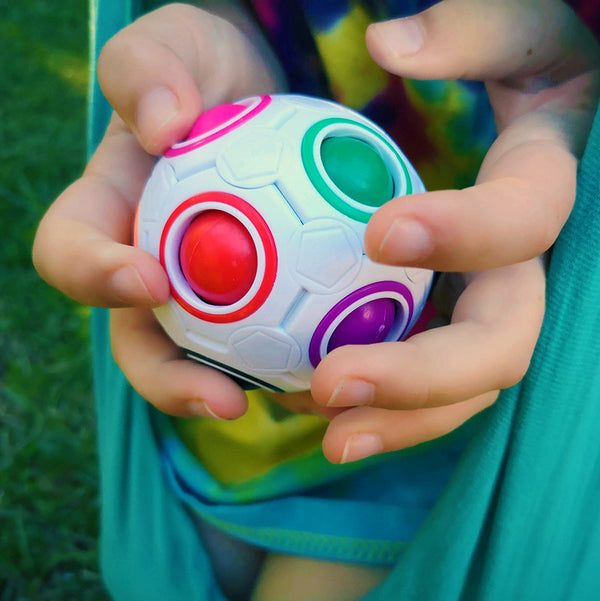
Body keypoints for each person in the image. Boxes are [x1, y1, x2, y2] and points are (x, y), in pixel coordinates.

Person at [32, 1, 600, 600]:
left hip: (472, 406)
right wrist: (216, 33)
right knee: (161, 581)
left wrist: (568, 81)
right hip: (232, 394)